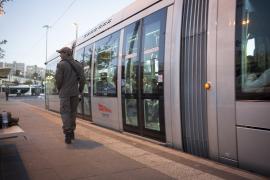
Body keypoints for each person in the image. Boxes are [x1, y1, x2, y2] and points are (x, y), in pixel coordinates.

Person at [55, 47, 85, 144]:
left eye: (61, 53)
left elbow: (58, 80)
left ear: (67, 53)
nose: (60, 55)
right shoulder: (78, 65)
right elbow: (82, 80)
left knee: (65, 113)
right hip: (75, 93)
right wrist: (80, 90)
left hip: (64, 93)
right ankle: (72, 131)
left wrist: (59, 89)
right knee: (73, 113)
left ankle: (68, 132)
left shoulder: (61, 65)